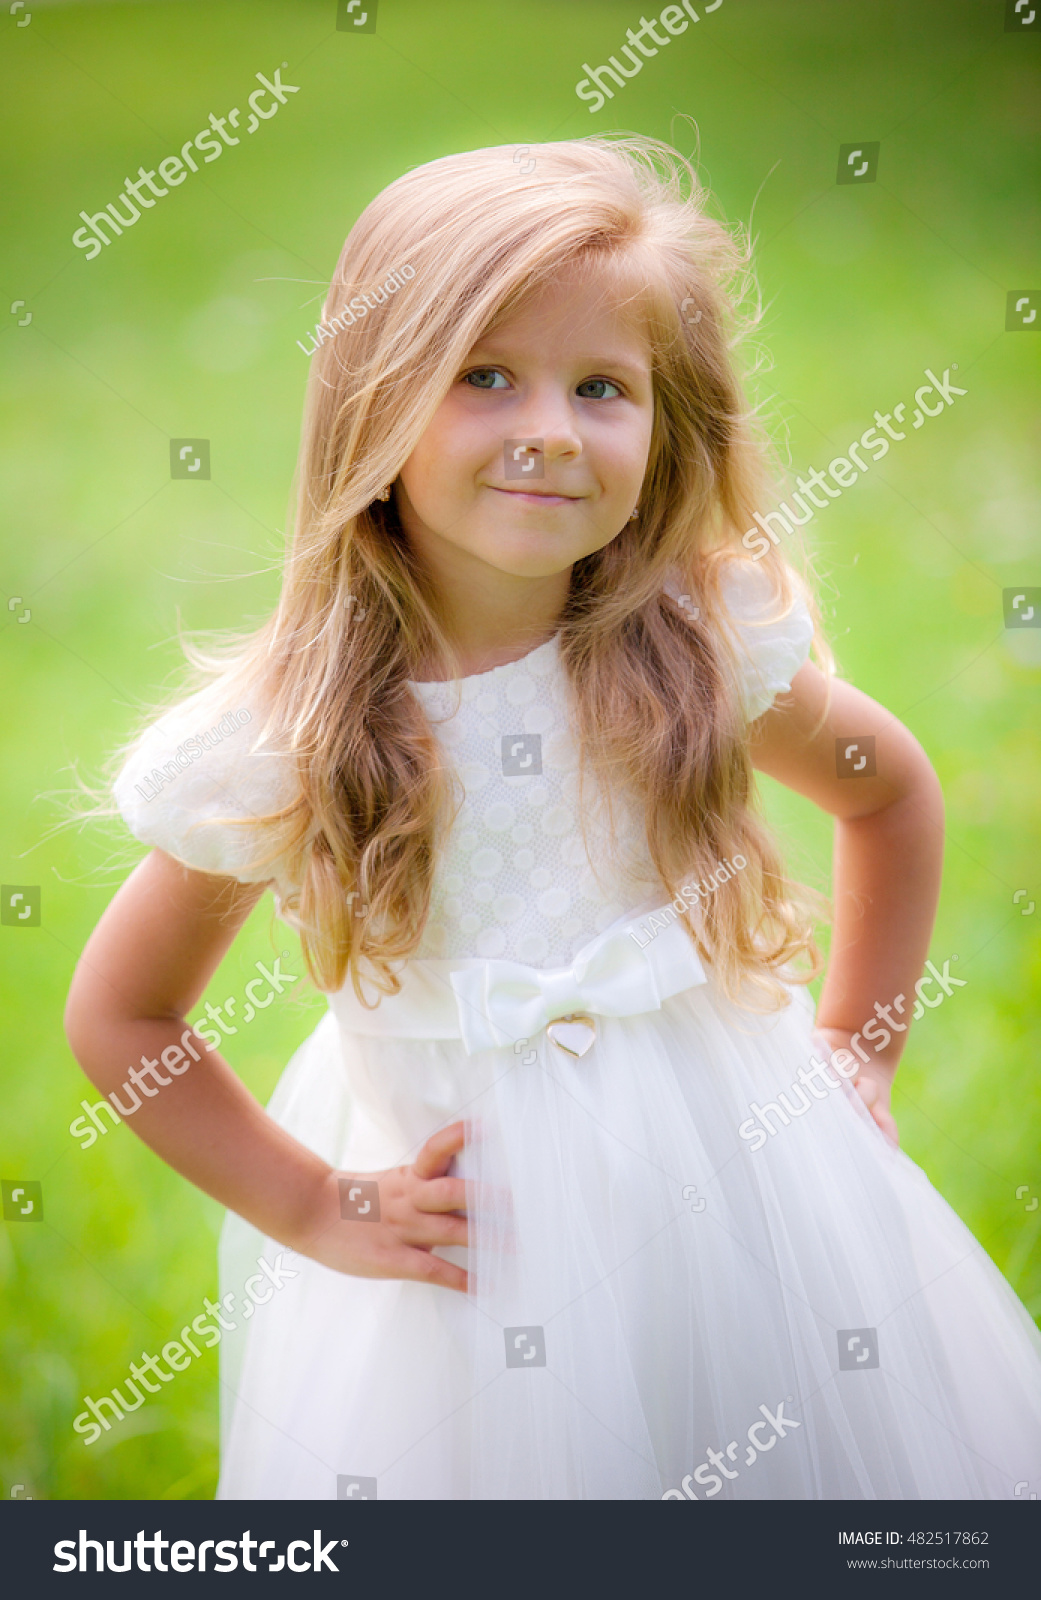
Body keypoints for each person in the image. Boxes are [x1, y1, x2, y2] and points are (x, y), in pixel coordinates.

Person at [65, 136, 1041, 1500]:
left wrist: (858, 1045)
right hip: (467, 1259)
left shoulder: (693, 645)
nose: (549, 429)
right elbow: (125, 1017)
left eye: (602, 387)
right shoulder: (284, 742)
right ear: (372, 405)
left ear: (664, 426)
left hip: (740, 1193)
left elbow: (889, 793)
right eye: (483, 378)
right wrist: (315, 1206)